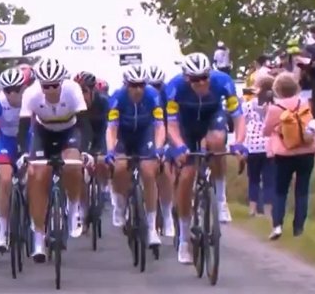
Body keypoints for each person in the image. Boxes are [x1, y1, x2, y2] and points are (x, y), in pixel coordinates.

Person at [165, 52, 247, 263]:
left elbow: (238, 117)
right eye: (195, 79)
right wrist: (179, 146)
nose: (201, 83)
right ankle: (184, 240)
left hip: (212, 117)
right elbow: (171, 125)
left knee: (218, 142)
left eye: (204, 77)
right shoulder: (174, 87)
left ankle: (220, 199)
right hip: (185, 126)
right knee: (186, 177)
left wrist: (239, 142)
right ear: (186, 78)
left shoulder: (223, 81)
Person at [16, 58, 86, 262]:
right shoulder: (31, 93)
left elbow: (84, 124)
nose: (51, 90)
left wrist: (86, 151)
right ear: (40, 84)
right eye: (46, 86)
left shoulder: (73, 90)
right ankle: (38, 239)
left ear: (62, 82)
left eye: (55, 85)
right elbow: (23, 127)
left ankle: (73, 208)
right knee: (38, 177)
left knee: (73, 165)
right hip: (43, 133)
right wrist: (23, 152)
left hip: (69, 131)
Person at [105, 65, 166, 247]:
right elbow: (112, 128)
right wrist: (110, 150)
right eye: (133, 85)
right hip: (124, 136)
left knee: (149, 172)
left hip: (144, 135)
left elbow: (159, 125)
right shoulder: (118, 97)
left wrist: (159, 148)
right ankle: (120, 204)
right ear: (126, 85)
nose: (138, 89)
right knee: (119, 168)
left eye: (141, 85)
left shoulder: (153, 95)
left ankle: (152, 228)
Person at [262, 72, 315, 239]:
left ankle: (277, 225)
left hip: (284, 153)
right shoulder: (304, 103)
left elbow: (266, 131)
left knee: (280, 190)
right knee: (302, 191)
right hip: (306, 151)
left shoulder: (275, 108)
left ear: (277, 89)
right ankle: (299, 229)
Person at [0, 67, 27, 252]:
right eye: (7, 90)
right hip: (5, 141)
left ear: (23, 88)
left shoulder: (30, 99)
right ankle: (2, 232)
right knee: (5, 179)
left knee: (36, 175)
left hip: (26, 139)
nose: (12, 94)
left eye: (16, 89)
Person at [75, 70, 109, 233]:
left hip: (101, 134)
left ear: (93, 91)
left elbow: (109, 128)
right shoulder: (74, 104)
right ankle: (82, 210)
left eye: (84, 91)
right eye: (78, 91)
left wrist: (103, 152)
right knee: (79, 171)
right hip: (83, 136)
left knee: (102, 161)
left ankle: (102, 188)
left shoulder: (103, 103)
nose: (81, 96)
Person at [145, 64, 174, 235]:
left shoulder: (169, 94)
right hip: (147, 133)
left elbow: (173, 121)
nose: (155, 89)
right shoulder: (144, 96)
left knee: (166, 170)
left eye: (158, 86)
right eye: (152, 86)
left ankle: (168, 214)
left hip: (167, 130)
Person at [243, 75, 275, 216]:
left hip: (252, 144)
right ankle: (268, 210)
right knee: (269, 179)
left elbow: (243, 122)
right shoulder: (273, 106)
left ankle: (252, 208)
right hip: (268, 144)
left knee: (253, 179)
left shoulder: (249, 105)